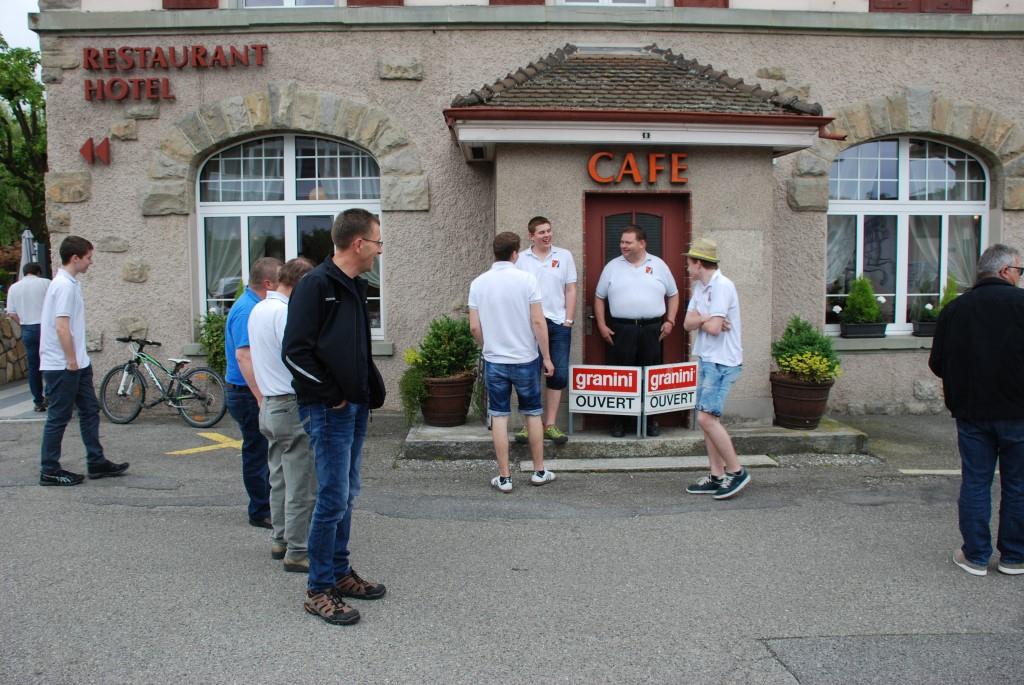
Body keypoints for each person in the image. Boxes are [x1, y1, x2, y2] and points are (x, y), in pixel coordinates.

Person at [283, 208, 387, 626]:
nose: (380, 250)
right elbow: (294, 352)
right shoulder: (316, 285)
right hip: (328, 410)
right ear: (359, 243)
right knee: (331, 498)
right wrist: (332, 395)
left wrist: (366, 389)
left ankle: (340, 573)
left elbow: (354, 349)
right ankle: (318, 589)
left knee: (347, 493)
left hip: (354, 406)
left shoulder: (355, 286)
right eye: (377, 242)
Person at [928, 243, 1024, 577]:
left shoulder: (956, 309)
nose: (1019, 277)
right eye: (1019, 271)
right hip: (1019, 413)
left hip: (972, 412)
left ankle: (976, 555)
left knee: (976, 482)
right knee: (1018, 484)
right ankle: (1014, 556)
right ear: (1005, 271)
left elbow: (937, 363)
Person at [469, 231, 556, 493]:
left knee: (499, 415)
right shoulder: (527, 280)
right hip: (525, 358)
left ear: (495, 253)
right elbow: (538, 321)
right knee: (532, 413)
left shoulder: (478, 283)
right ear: (515, 253)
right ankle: (539, 471)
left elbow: (474, 327)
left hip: (495, 359)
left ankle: (505, 477)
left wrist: (488, 346)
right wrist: (547, 357)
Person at [38, 236, 128, 486]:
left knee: (89, 410)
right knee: (59, 416)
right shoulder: (64, 286)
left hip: (77, 362)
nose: (91, 262)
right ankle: (49, 469)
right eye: (88, 257)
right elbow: (61, 327)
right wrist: (71, 361)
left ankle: (96, 461)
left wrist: (79, 360)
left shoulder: (69, 283)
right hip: (63, 365)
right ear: (75, 258)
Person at [247, 257, 316, 573]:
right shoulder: (285, 313)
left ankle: (280, 539)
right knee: (300, 482)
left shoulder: (259, 309)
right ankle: (298, 551)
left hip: (269, 403)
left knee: (278, 478)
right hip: (289, 403)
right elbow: (297, 358)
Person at [594, 225, 679, 437]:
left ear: (642, 243)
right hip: (622, 329)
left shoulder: (659, 265)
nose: (623, 246)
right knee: (621, 376)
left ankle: (650, 421)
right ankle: (619, 422)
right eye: (622, 242)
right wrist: (602, 325)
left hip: (652, 329)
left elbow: (674, 294)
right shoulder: (612, 267)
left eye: (628, 242)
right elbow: (599, 297)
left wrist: (670, 320)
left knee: (651, 375)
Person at [682, 238, 750, 500]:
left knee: (706, 419)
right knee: (708, 421)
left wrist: (705, 320)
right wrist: (707, 318)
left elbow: (711, 328)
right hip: (708, 357)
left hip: (723, 361)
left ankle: (736, 471)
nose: (687, 267)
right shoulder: (700, 287)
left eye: (689, 262)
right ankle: (717, 475)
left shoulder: (723, 286)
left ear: (699, 263)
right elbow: (688, 324)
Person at [224, 256, 282, 529]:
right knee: (257, 452)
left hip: (248, 391)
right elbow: (244, 356)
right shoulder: (248, 309)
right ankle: (260, 511)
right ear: (268, 283)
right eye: (281, 280)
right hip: (246, 393)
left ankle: (267, 505)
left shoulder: (254, 305)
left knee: (262, 450)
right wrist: (260, 397)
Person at [513, 216, 577, 446]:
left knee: (557, 374)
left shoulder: (564, 256)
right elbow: (515, 292)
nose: (547, 235)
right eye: (541, 232)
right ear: (531, 236)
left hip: (558, 324)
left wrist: (568, 320)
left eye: (549, 230)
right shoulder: (521, 259)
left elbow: (570, 289)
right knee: (528, 374)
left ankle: (550, 425)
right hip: (529, 326)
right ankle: (530, 424)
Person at [6, 262, 51, 412]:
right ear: (39, 272)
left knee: (33, 367)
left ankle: (38, 401)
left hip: (27, 328)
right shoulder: (46, 283)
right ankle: (50, 395)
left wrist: (23, 323)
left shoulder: (14, 287)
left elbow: (11, 313)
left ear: (25, 273)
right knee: (50, 363)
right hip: (45, 328)